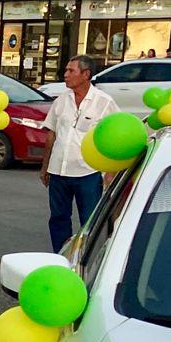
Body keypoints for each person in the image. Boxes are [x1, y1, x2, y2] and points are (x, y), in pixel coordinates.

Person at [40, 55, 117, 252]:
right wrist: (45, 166)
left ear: (86, 74)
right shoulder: (61, 100)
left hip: (87, 172)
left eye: (71, 71)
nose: (65, 75)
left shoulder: (104, 102)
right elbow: (52, 133)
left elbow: (114, 137)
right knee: (58, 218)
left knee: (89, 220)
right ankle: (60, 255)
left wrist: (111, 171)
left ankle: (87, 259)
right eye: (65, 70)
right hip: (59, 170)